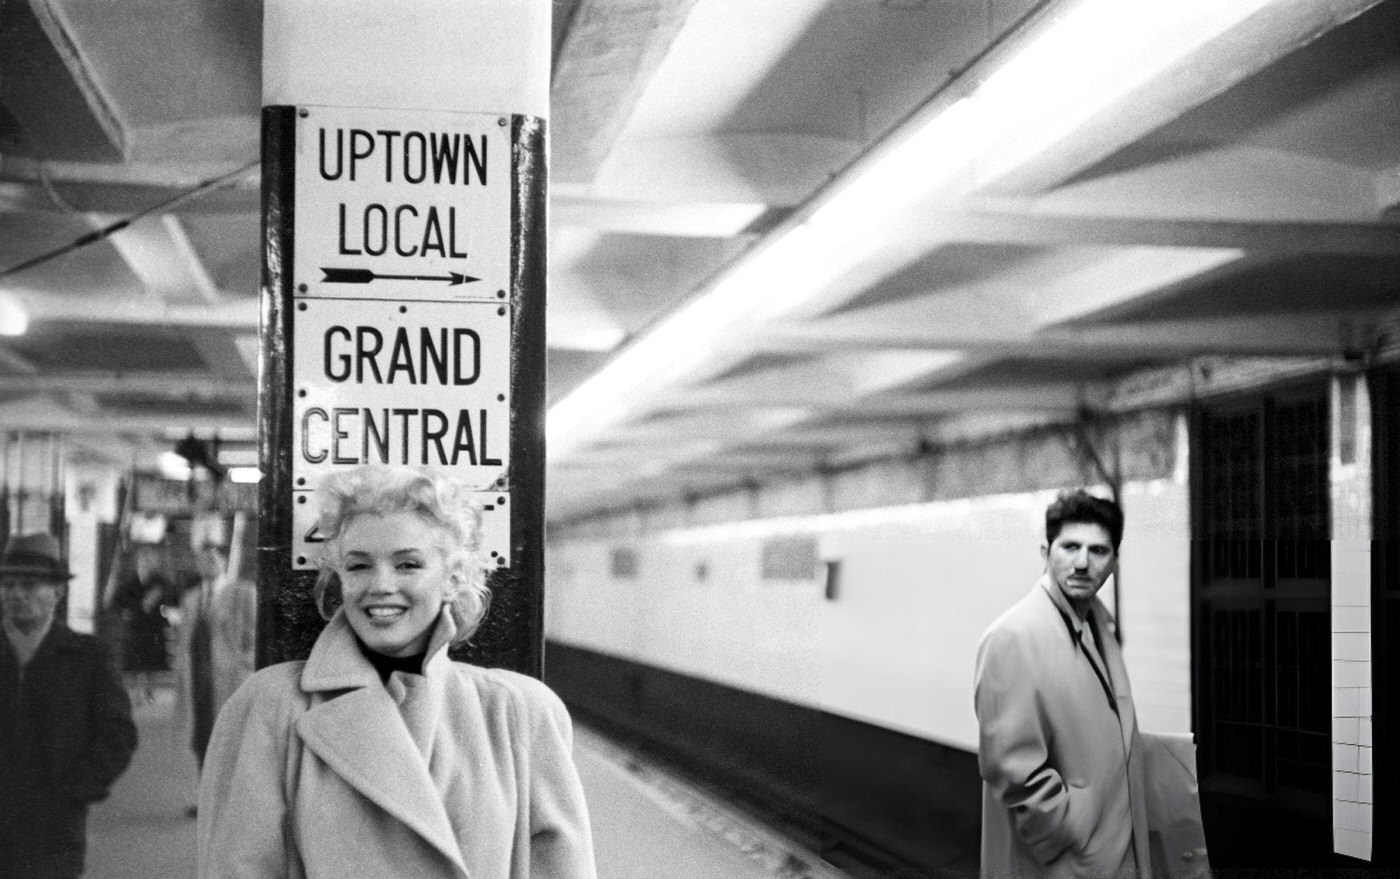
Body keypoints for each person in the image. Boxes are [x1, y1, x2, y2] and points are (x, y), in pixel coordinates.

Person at [197, 465, 596, 878]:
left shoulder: (518, 713)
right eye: (358, 566)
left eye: (407, 565)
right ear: (339, 580)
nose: (381, 585)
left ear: (452, 578)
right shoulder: (271, 708)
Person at [973, 490, 1150, 878]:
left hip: (1111, 852)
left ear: (1115, 562)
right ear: (1045, 552)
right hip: (1064, 863)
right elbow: (1013, 772)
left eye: (1099, 551)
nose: (1083, 563)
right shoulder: (1014, 637)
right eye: (1070, 547)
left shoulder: (1099, 626)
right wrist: (1070, 831)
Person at [0, 532, 139, 879]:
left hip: (54, 830)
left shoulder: (87, 656)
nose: (16, 594)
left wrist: (75, 792)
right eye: (9, 585)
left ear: (56, 593)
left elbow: (117, 734)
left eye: (29, 586)